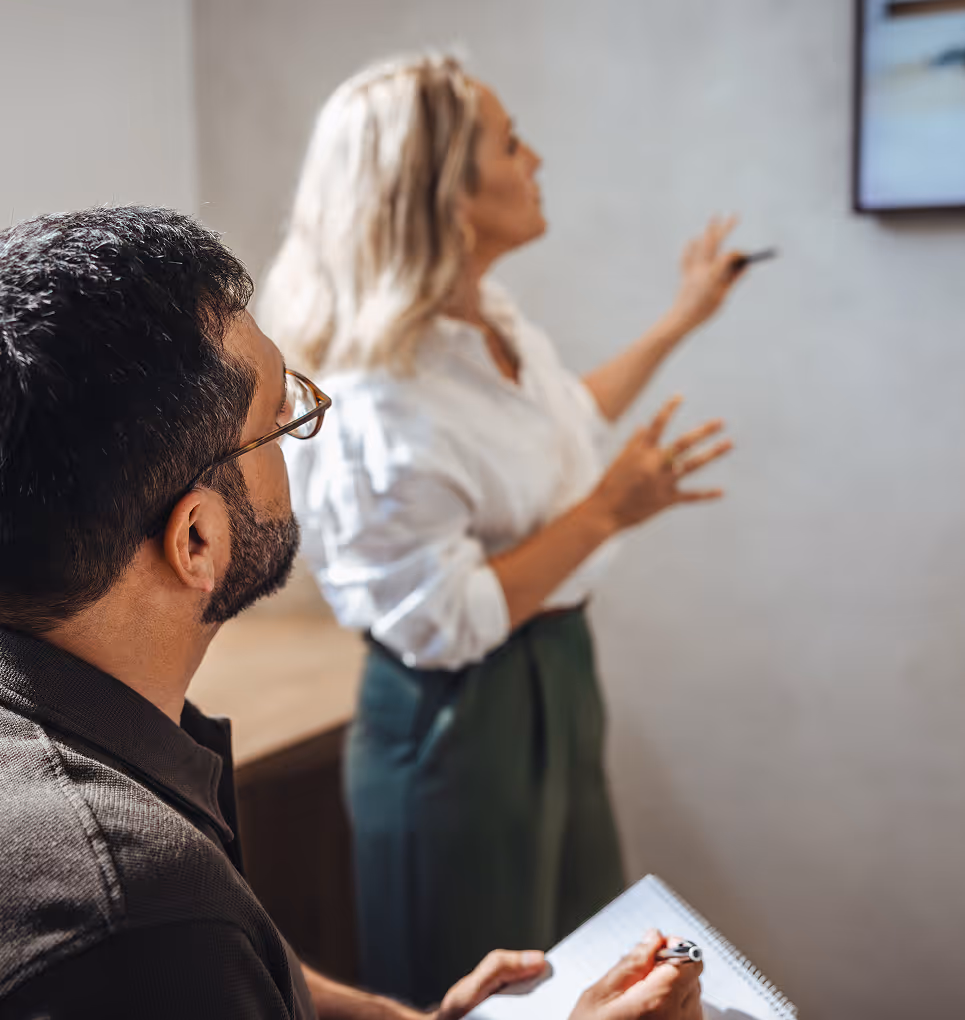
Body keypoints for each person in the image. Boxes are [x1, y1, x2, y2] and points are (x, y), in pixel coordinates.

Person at [0, 205, 704, 1020]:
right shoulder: (138, 911)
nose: (301, 440)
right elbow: (171, 946)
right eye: (276, 424)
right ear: (197, 538)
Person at [260, 55, 744, 1007]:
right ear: (441, 191)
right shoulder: (375, 397)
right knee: (489, 985)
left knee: (587, 962)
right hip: (461, 719)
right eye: (512, 141)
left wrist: (681, 318)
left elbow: (559, 421)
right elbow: (443, 617)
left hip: (556, 672)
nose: (538, 158)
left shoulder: (487, 329)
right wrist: (612, 506)